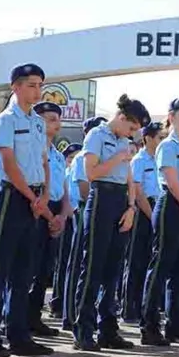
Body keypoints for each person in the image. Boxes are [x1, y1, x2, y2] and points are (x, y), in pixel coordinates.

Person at [0, 65, 53, 357]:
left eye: (40, 85)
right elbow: (8, 162)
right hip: (13, 197)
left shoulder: (36, 121)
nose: (37, 90)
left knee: (24, 273)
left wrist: (44, 195)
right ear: (16, 87)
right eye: (32, 85)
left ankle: (19, 335)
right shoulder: (7, 120)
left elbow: (44, 161)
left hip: (35, 199)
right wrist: (31, 196)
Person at [73, 94, 150, 352]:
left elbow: (129, 178)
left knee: (113, 270)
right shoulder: (97, 135)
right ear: (121, 117)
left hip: (120, 200)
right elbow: (91, 172)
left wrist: (131, 208)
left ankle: (108, 329)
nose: (132, 133)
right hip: (101, 197)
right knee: (93, 266)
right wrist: (118, 157)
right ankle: (83, 329)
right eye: (131, 127)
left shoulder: (124, 142)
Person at [140, 99, 179, 345]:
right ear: (171, 117)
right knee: (161, 267)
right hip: (172, 205)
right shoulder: (168, 146)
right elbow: (172, 181)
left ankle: (176, 324)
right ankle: (150, 325)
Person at [27, 101, 72, 337]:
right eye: (49, 118)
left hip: (55, 210)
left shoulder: (56, 155)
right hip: (36, 208)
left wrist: (62, 216)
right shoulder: (32, 149)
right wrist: (49, 215)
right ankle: (16, 316)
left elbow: (64, 190)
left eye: (57, 118)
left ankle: (34, 317)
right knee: (27, 267)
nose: (55, 123)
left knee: (45, 269)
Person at [61, 117, 105, 331]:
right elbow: (84, 188)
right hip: (83, 210)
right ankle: (70, 315)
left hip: (98, 212)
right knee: (78, 262)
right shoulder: (81, 159)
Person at [122, 122, 163, 324]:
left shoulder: (159, 160)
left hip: (157, 209)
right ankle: (130, 308)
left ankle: (144, 306)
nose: (160, 141)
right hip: (144, 211)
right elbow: (138, 191)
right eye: (158, 137)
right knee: (136, 261)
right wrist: (152, 214)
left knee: (149, 260)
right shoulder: (139, 160)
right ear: (147, 138)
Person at [49, 142, 82, 320]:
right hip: (68, 217)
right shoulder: (71, 171)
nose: (73, 160)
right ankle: (58, 301)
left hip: (73, 216)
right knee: (63, 263)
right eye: (70, 157)